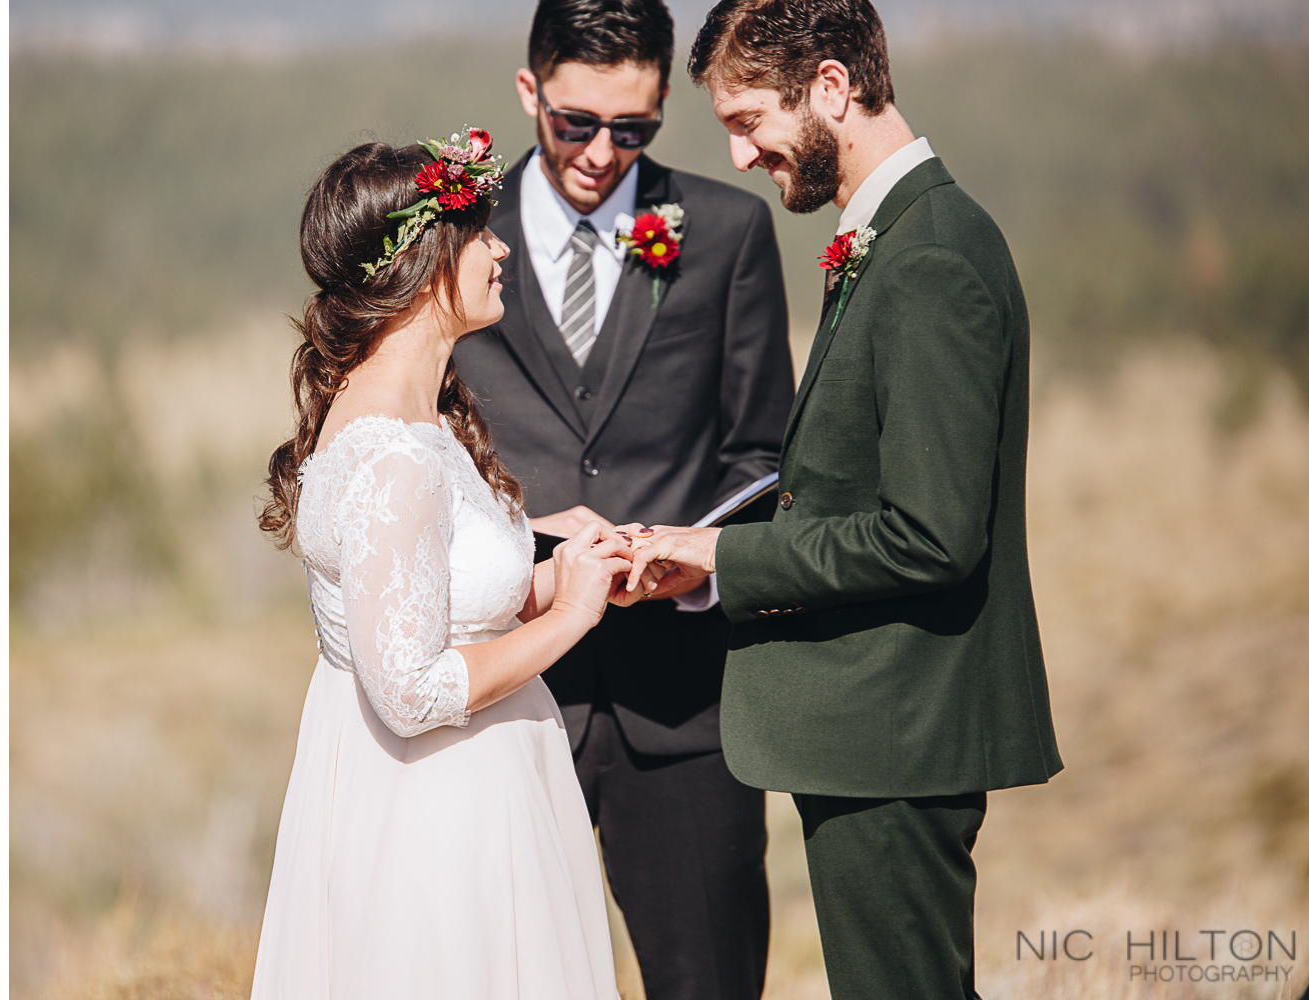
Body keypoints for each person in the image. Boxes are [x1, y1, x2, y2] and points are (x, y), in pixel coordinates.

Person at [628, 2, 1063, 997]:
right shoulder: (893, 239)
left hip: (896, 741)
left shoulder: (930, 259)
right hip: (876, 738)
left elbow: (928, 535)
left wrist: (717, 558)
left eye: (745, 121)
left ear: (830, 87)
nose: (737, 157)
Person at [248, 133, 655, 999]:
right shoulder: (393, 453)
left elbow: (440, 595)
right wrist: (572, 618)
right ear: (421, 262)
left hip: (463, 787)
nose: (501, 248)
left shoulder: (415, 415)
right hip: (437, 814)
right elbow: (411, 694)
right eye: (479, 233)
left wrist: (565, 572)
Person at [450, 2, 793, 995]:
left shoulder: (728, 232)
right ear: (528, 92)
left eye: (633, 129)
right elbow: (416, 450)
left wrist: (691, 563)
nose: (602, 153)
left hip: (681, 708)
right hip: (503, 695)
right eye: (573, 123)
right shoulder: (456, 240)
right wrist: (529, 555)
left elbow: (761, 451)